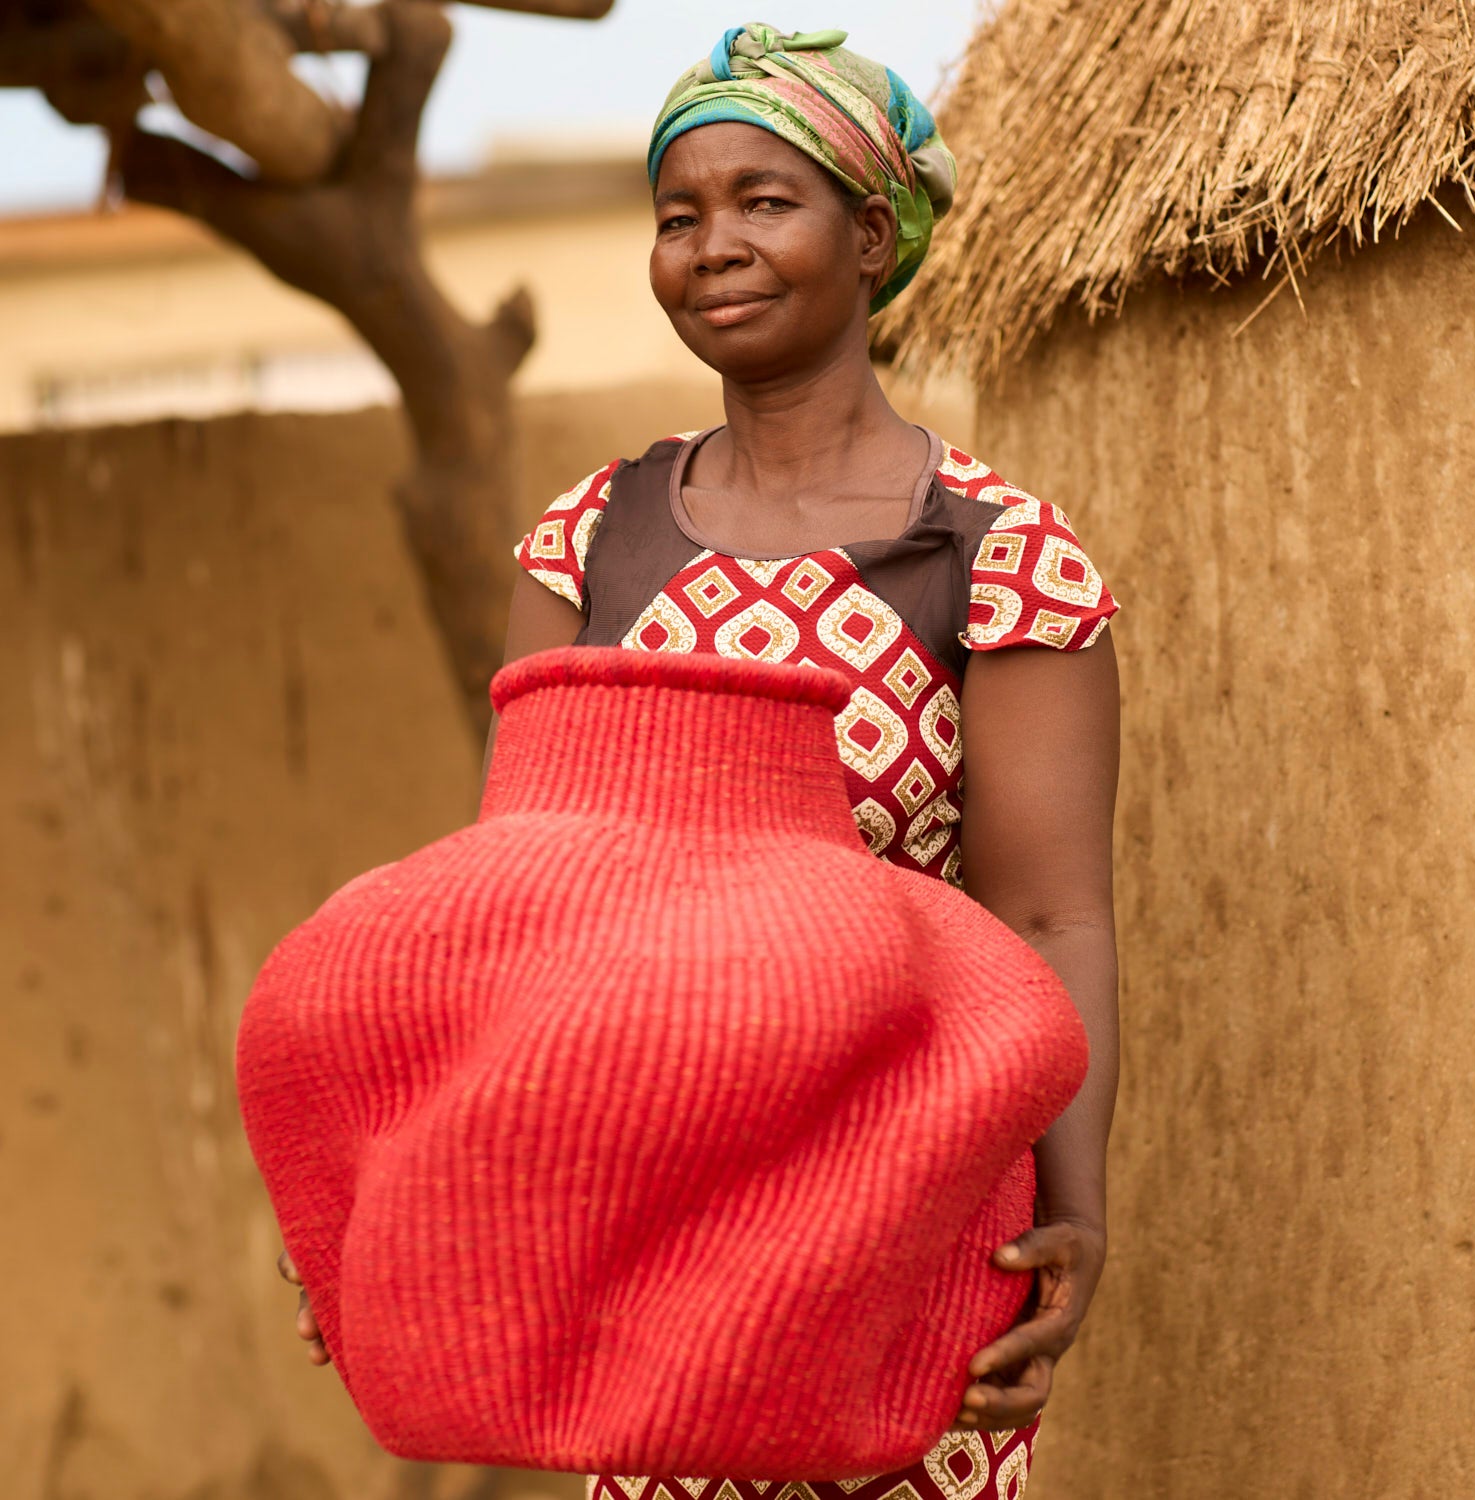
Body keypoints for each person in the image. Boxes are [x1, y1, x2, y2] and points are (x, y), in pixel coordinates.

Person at [279, 22, 1120, 1500]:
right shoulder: (593, 542)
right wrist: (393, 1211)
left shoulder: (996, 557)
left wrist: (1075, 1208)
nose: (713, 245)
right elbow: (519, 928)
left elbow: (1049, 920)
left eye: (763, 203)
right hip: (656, 1217)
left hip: (905, 1214)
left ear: (872, 234)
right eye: (681, 216)